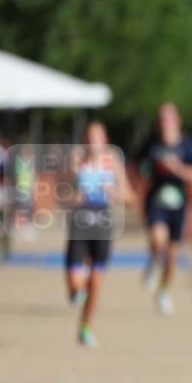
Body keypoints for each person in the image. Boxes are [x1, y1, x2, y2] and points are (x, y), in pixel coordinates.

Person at [65, 121, 136, 346]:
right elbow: (58, 193)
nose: (94, 143)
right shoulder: (76, 160)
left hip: (102, 226)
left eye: (98, 138)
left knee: (95, 281)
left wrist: (113, 191)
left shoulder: (112, 162)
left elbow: (131, 198)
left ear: (104, 141)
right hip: (79, 226)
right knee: (76, 288)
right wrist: (71, 194)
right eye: (90, 137)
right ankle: (78, 293)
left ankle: (85, 327)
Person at [135, 103, 192, 316]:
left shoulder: (188, 145)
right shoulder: (151, 143)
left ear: (177, 121)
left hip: (178, 203)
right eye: (162, 119)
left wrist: (178, 168)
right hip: (156, 200)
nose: (165, 123)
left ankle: (163, 292)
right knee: (157, 238)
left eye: (169, 118)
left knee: (172, 256)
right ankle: (153, 263)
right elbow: (137, 167)